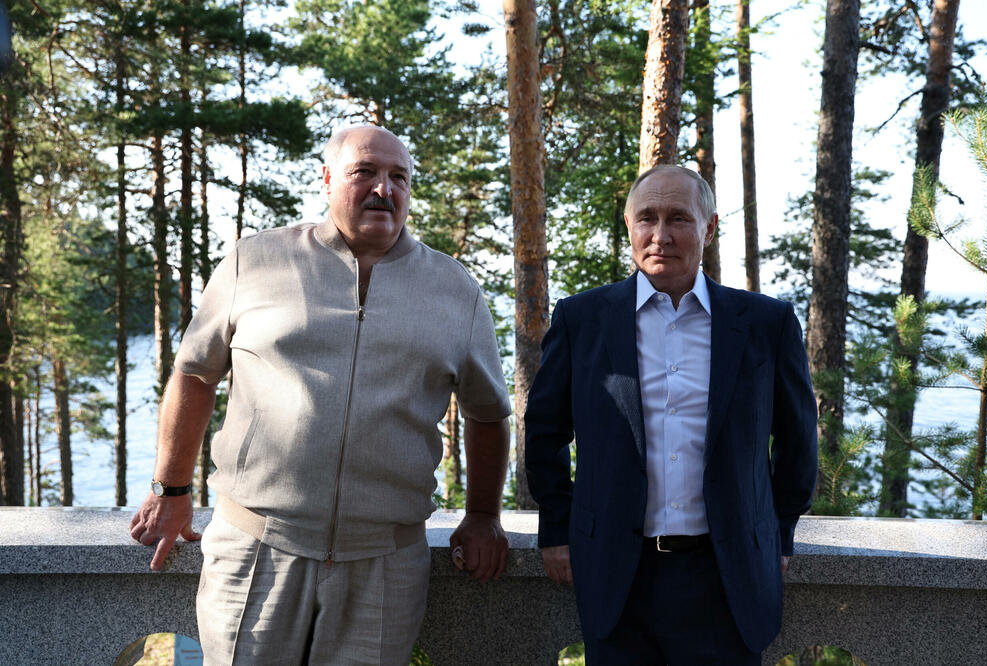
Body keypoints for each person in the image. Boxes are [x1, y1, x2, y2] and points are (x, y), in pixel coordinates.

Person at [129, 125, 512, 665]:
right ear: (328, 179)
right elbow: (194, 375)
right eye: (365, 173)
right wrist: (170, 490)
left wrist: (483, 515)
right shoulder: (254, 261)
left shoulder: (456, 290)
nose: (384, 189)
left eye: (399, 177)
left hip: (386, 561)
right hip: (255, 550)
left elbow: (489, 413)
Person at [525, 165, 818, 664]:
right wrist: (556, 528)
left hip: (727, 577)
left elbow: (797, 440)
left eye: (678, 218)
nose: (660, 235)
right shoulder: (582, 319)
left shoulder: (766, 324)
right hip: (616, 574)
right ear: (629, 225)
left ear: (709, 227)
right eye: (647, 218)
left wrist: (779, 534)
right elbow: (544, 431)